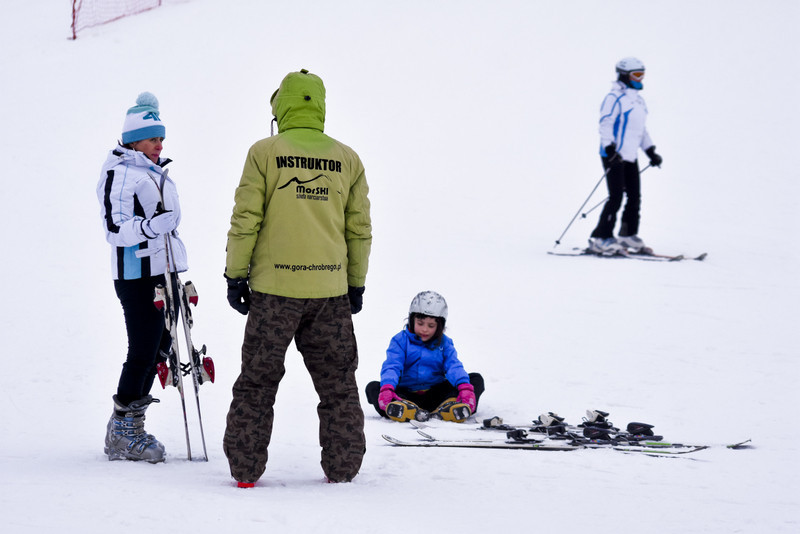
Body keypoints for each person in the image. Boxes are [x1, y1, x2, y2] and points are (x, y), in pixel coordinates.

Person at [223, 69, 372, 487]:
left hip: (274, 293)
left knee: (257, 382)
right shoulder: (348, 159)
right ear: (320, 105)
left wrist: (236, 275)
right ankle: (343, 471)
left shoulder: (263, 152)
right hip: (330, 293)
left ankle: (245, 472)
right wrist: (355, 283)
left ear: (280, 107)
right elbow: (359, 228)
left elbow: (245, 219)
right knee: (339, 385)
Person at [96, 92, 187, 463]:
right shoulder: (119, 172)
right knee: (143, 349)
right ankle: (122, 429)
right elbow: (115, 228)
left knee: (160, 348)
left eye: (161, 138)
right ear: (134, 139)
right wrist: (151, 227)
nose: (159, 144)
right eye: (153, 138)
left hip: (162, 270)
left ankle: (132, 423)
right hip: (135, 276)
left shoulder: (151, 170)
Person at [365, 291, 485, 424]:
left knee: (475, 379)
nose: (425, 329)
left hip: (436, 394)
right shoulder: (400, 341)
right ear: (412, 320)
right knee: (373, 388)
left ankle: (452, 408)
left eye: (431, 326)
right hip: (406, 394)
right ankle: (403, 409)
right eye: (420, 323)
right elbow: (392, 366)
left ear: (439, 326)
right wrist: (387, 388)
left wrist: (465, 388)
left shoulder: (444, 343)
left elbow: (453, 366)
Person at [588, 57, 663, 255]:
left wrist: (650, 151)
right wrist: (610, 149)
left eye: (642, 75)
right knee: (616, 197)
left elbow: (641, 130)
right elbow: (605, 123)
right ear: (624, 75)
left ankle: (627, 235)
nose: (640, 79)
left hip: (630, 155)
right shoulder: (614, 98)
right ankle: (601, 238)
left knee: (634, 197)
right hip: (613, 154)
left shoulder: (638, 101)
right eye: (636, 75)